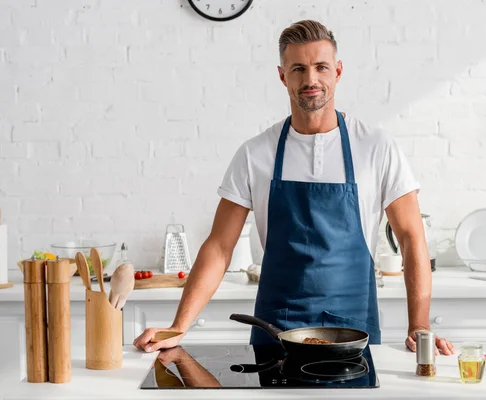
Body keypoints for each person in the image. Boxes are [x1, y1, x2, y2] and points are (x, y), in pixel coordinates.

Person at [134, 19, 455, 356]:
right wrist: (179, 324)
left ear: (338, 71)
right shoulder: (256, 154)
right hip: (275, 327)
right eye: (299, 69)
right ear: (283, 75)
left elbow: (411, 237)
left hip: (352, 328)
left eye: (321, 67)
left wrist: (419, 325)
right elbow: (218, 247)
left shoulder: (375, 147)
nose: (311, 79)